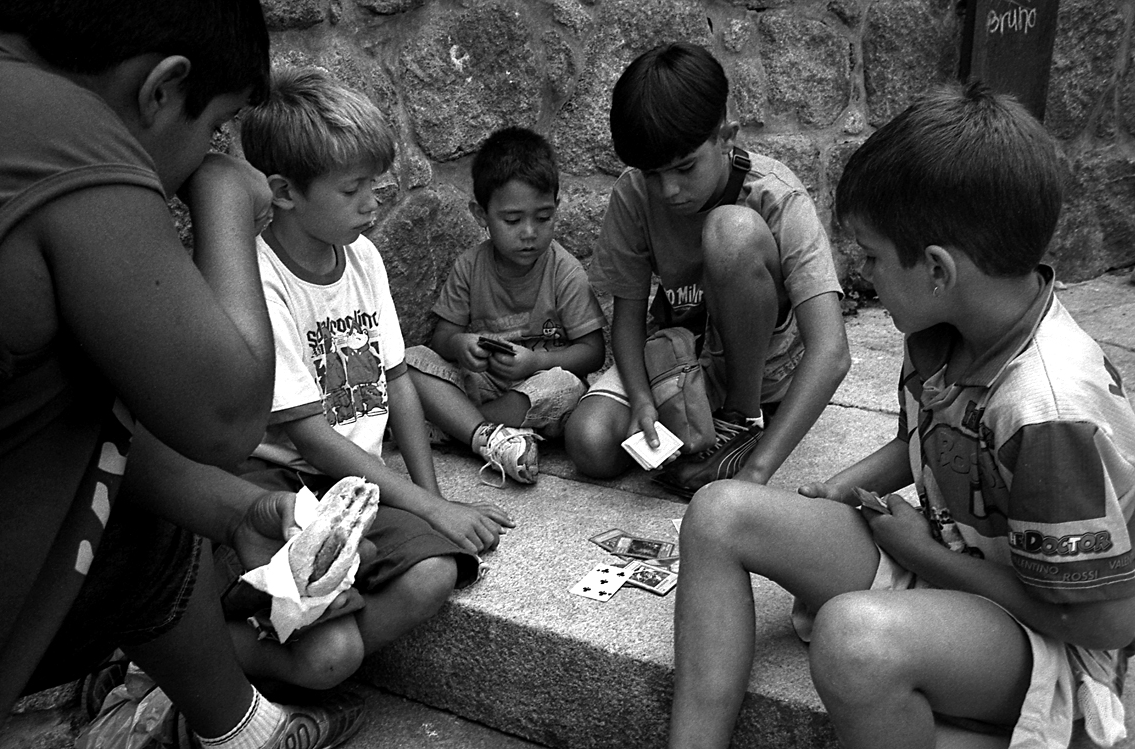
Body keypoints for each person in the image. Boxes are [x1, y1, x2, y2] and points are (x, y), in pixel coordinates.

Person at [668, 83, 1135, 749]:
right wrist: (842, 488)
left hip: (1055, 643)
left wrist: (922, 553)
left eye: (871, 256)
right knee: (720, 511)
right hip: (951, 556)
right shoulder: (945, 329)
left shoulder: (1045, 410)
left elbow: (1105, 623)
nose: (861, 274)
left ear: (937, 270)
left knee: (852, 640)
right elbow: (927, 442)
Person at [0, 2, 367, 748]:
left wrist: (241, 514)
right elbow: (226, 415)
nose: (212, 152)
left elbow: (63, 426)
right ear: (162, 88)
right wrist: (226, 200)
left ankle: (237, 726)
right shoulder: (68, 142)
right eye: (214, 129)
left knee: (129, 479)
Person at [225, 65, 515, 691]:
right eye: (353, 188)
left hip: (353, 483)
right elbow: (308, 436)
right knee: (331, 654)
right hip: (289, 481)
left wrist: (431, 498)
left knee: (437, 571)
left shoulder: (363, 256)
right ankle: (277, 658)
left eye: (375, 184)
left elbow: (397, 379)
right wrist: (430, 506)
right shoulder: (259, 279)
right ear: (283, 192)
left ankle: (326, 646)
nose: (373, 201)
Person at [563, 41, 850, 496]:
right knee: (590, 443)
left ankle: (743, 419)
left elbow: (832, 352)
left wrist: (756, 473)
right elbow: (629, 317)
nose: (669, 190)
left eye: (684, 167)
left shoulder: (777, 196)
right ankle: (701, 417)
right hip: (677, 361)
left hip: (761, 372)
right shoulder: (634, 193)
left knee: (730, 231)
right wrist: (642, 399)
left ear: (726, 135)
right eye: (652, 173)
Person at [406, 126, 606, 486]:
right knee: (409, 360)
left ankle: (464, 428)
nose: (529, 232)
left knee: (567, 387)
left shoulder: (565, 271)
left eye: (543, 218)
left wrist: (536, 362)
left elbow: (593, 353)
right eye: (513, 221)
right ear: (481, 215)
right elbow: (443, 338)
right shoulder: (470, 266)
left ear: (557, 208)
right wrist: (461, 346)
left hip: (537, 391)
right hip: (483, 382)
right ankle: (495, 436)